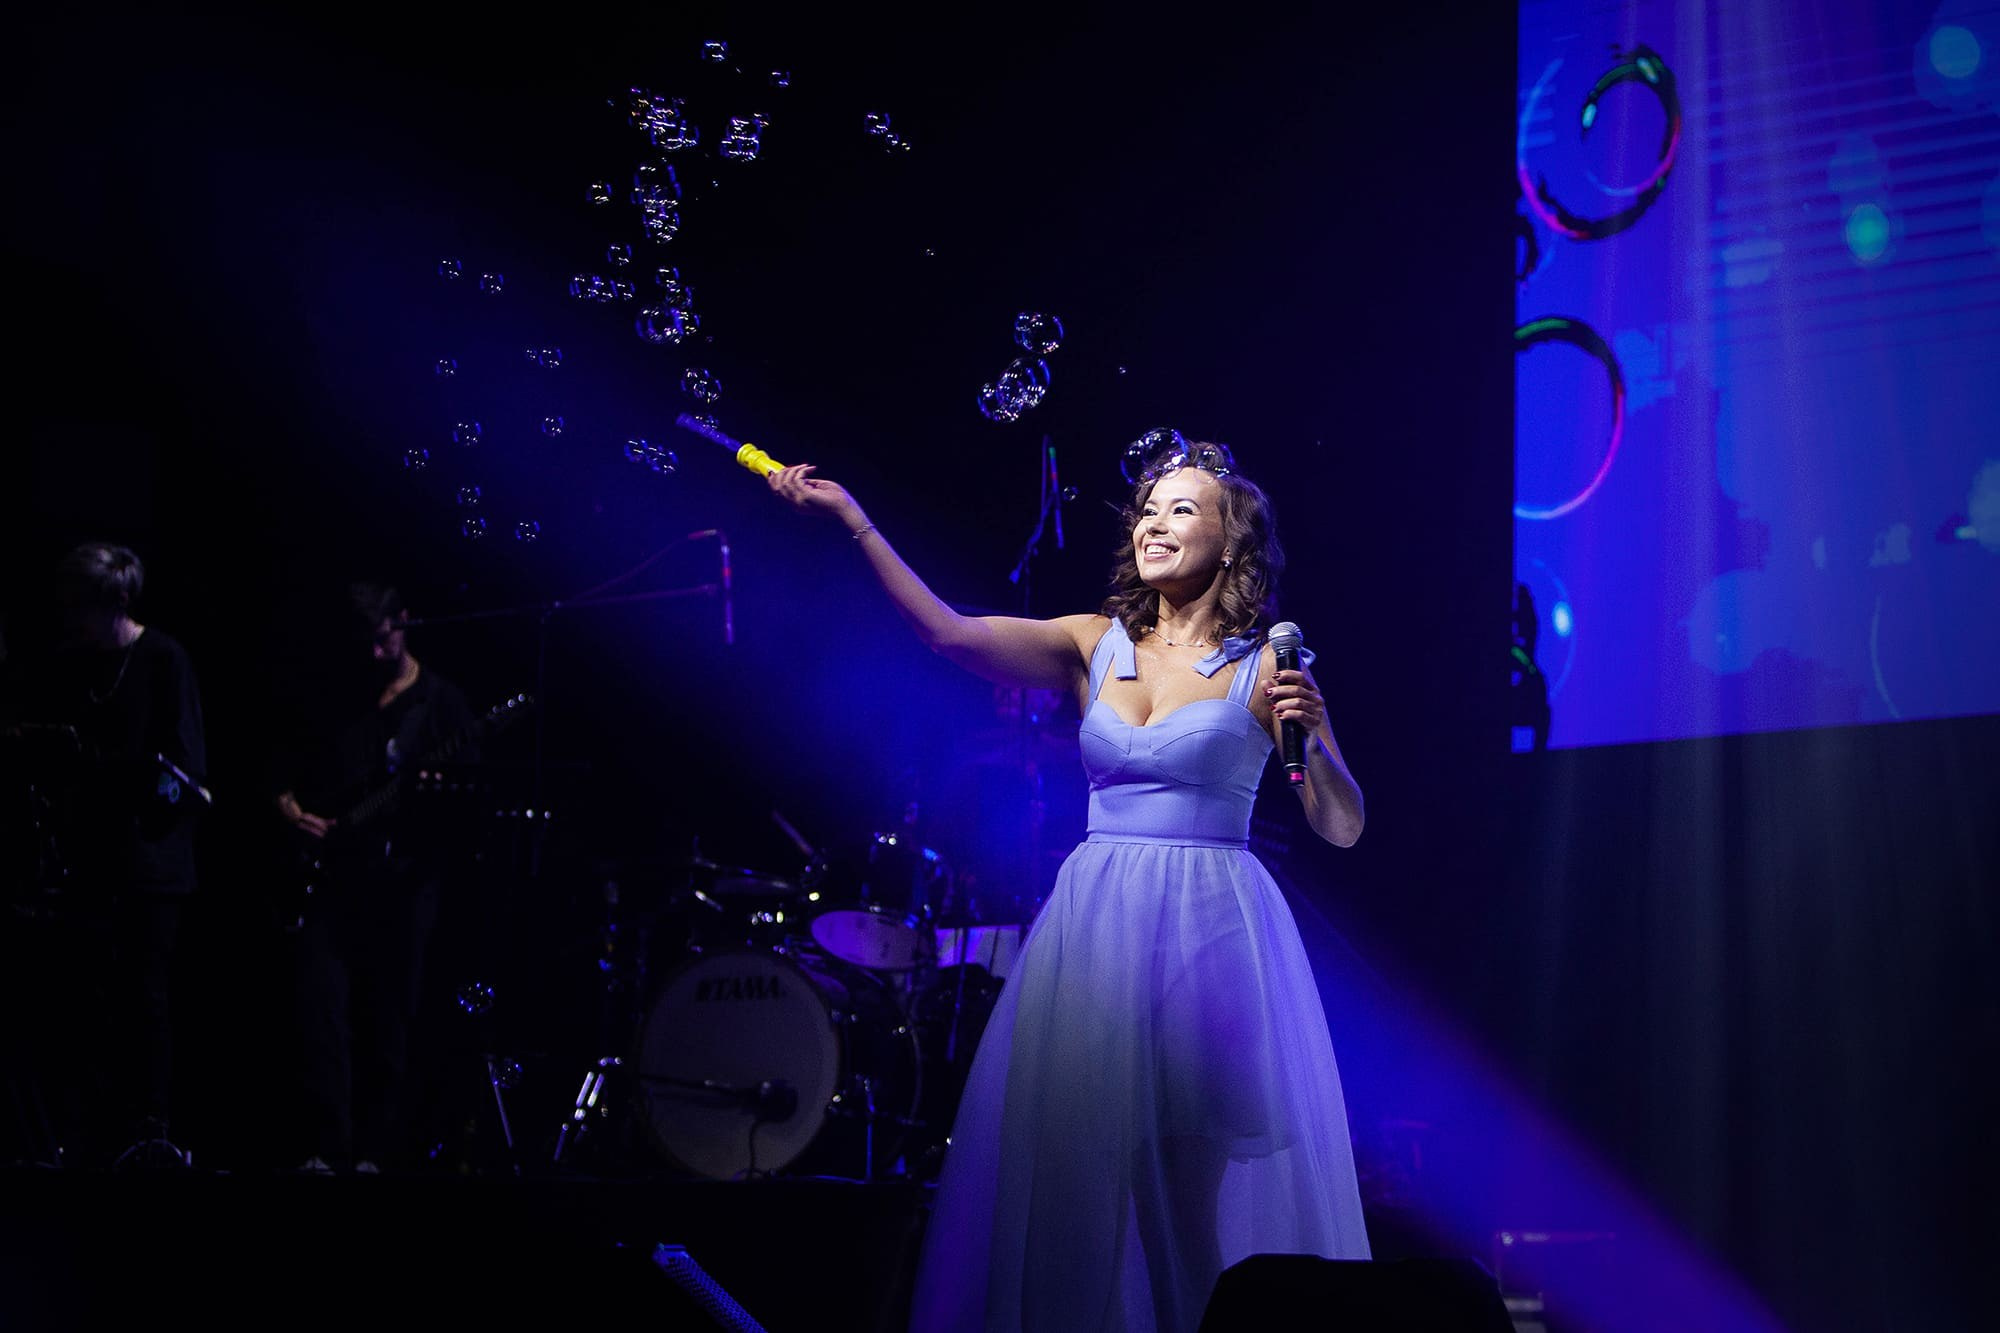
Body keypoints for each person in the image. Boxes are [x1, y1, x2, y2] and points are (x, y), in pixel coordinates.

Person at [768, 438, 1372, 1332]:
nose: (1154, 523)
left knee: (1179, 1193)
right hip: (1097, 924)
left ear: (1234, 542)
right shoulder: (1094, 642)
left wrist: (1312, 738)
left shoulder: (1267, 666)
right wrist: (853, 520)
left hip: (1206, 930)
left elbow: (1343, 824)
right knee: (1073, 1182)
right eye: (1147, 509)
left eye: (1182, 509)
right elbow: (947, 631)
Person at [0, 541, 208, 1167]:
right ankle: (81, 1132)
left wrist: (116, 778)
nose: (70, 618)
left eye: (79, 606)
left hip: (149, 867)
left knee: (144, 999)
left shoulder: (164, 658)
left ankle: (150, 1130)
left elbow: (185, 772)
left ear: (115, 601)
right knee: (81, 1002)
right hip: (89, 863)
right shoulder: (71, 664)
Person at [271, 582, 478, 1174]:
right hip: (332, 881)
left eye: (381, 637)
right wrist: (288, 809)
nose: (372, 653)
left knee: (394, 1020)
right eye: (361, 641)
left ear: (404, 621)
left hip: (404, 882)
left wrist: (440, 801)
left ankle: (378, 1155)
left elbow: (471, 804)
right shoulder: (339, 696)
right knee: (319, 1013)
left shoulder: (442, 705)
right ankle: (324, 1147)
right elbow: (284, 761)